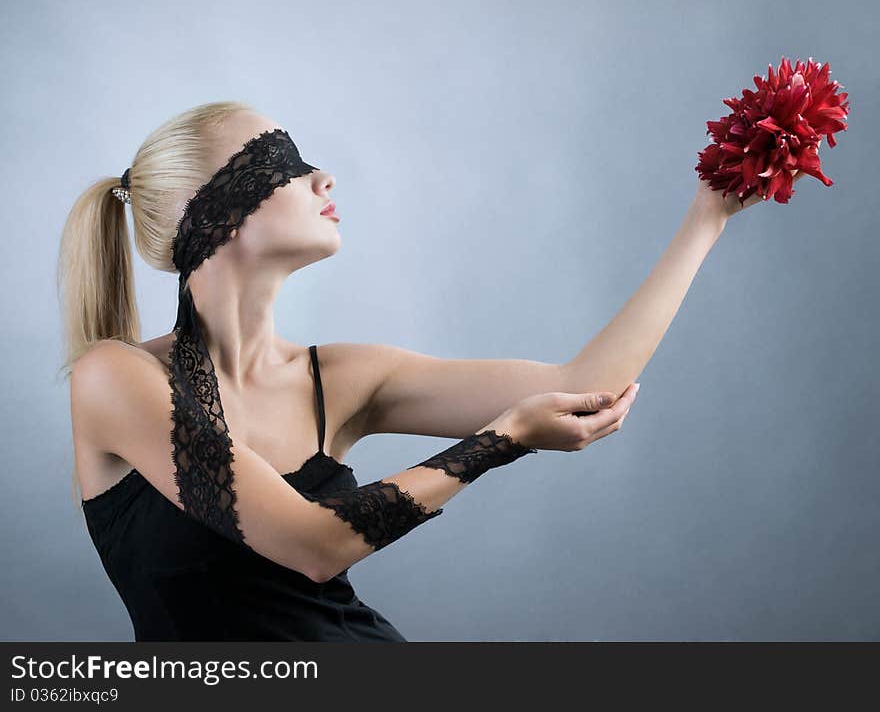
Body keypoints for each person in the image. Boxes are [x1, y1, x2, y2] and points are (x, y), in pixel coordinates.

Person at [60, 98, 792, 641]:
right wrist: (497, 442)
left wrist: (708, 216)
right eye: (282, 163)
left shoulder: (344, 379)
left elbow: (583, 381)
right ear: (205, 212)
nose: (322, 177)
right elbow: (314, 543)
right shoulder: (114, 379)